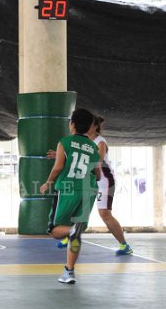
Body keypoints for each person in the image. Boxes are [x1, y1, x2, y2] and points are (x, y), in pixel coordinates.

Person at [40, 108, 99, 285]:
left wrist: (48, 182)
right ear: (89, 127)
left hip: (68, 190)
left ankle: (72, 231)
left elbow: (58, 168)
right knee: (77, 234)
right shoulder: (93, 146)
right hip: (88, 191)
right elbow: (98, 173)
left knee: (55, 230)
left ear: (71, 124)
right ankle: (69, 272)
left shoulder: (64, 142)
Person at [88, 115, 133, 255]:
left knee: (105, 214)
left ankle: (124, 245)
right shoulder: (82, 141)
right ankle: (67, 238)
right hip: (89, 180)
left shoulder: (100, 142)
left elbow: (98, 160)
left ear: (95, 126)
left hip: (104, 180)